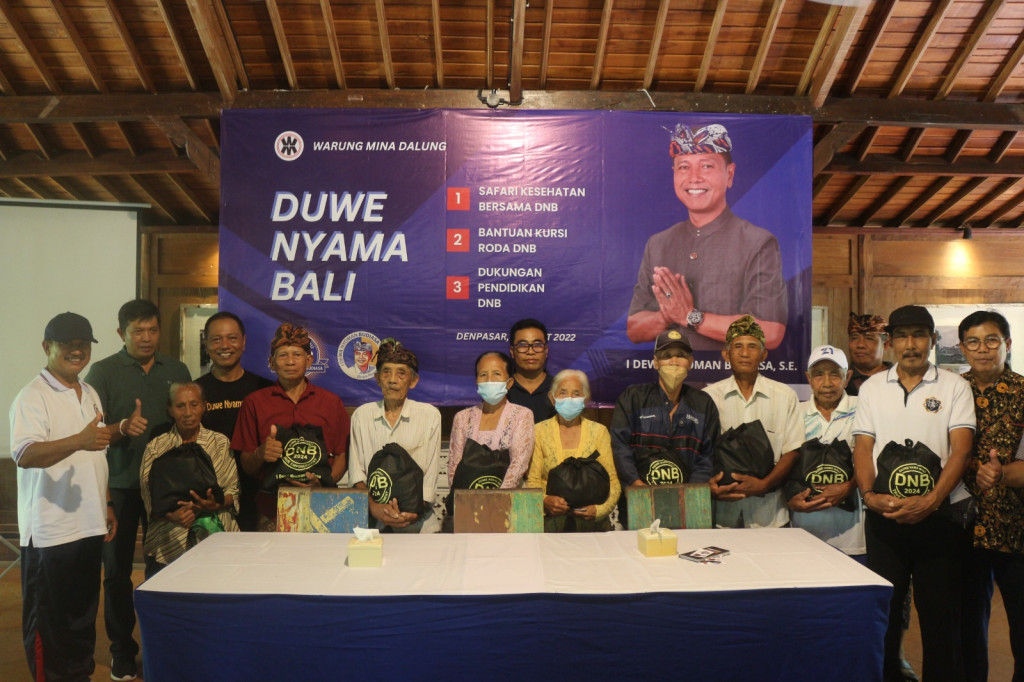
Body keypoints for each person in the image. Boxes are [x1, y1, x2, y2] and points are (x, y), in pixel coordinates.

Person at [852, 304, 975, 682]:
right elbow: (862, 447)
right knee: (885, 613)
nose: (911, 345)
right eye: (902, 337)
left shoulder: (955, 386)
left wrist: (932, 501)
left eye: (919, 335)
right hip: (884, 517)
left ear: (933, 340)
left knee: (940, 617)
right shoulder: (872, 388)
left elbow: (962, 450)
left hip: (940, 519)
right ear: (890, 343)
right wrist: (869, 496)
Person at [84, 299, 190, 681]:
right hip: (119, 487)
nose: (146, 338)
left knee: (166, 568)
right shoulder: (102, 372)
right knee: (116, 571)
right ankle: (122, 651)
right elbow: (90, 434)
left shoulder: (176, 369)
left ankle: (162, 646)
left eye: (152, 330)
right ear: (121, 333)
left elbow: (188, 419)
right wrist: (121, 428)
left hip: (165, 487)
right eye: (137, 331)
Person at [8, 312, 117, 681]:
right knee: (50, 627)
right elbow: (26, 455)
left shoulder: (89, 392)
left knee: (81, 619)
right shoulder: (32, 396)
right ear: (46, 347)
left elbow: (96, 453)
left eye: (83, 344)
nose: (77, 350)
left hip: (88, 525)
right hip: (50, 533)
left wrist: (107, 503)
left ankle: (79, 674)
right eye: (67, 344)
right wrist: (79, 441)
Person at [626, 122, 788, 350]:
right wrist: (665, 316)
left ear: (729, 174)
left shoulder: (757, 242)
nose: (694, 178)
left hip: (728, 373)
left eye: (706, 166)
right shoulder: (658, 244)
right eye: (684, 167)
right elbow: (634, 329)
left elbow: (770, 332)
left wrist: (691, 317)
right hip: (673, 372)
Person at [957, 310, 1024, 681]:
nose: (982, 349)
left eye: (991, 340)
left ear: (1007, 344)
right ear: (962, 348)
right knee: (967, 624)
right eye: (973, 341)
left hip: (1017, 527)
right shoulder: (950, 392)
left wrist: (1002, 473)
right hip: (962, 527)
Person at [234, 323, 349, 530]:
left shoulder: (331, 403)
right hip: (272, 509)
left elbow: (342, 456)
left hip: (323, 505)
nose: (290, 361)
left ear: (309, 360)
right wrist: (260, 453)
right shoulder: (254, 403)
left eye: (297, 354)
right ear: (271, 362)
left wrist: (323, 483)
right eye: (282, 355)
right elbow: (246, 463)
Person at [610, 329, 719, 526]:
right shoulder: (633, 398)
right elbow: (620, 447)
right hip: (639, 502)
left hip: (689, 506)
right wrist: (635, 484)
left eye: (681, 355)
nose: (674, 361)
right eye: (667, 355)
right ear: (655, 362)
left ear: (691, 362)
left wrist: (690, 493)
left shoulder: (704, 404)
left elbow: (708, 456)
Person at [704, 315, 803, 528]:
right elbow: (700, 452)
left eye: (752, 346)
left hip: (771, 515)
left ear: (763, 354)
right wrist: (707, 485)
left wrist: (764, 484)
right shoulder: (709, 397)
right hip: (722, 514)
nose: (745, 353)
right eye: (738, 346)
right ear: (726, 354)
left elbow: (793, 450)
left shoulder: (785, 396)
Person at [140, 382, 239, 577]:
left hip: (217, 534)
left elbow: (233, 492)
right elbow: (148, 497)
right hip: (169, 537)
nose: (188, 413)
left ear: (204, 406)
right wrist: (172, 515)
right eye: (180, 406)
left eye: (194, 405)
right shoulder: (156, 447)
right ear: (170, 410)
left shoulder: (220, 443)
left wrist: (214, 504)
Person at [349, 338, 442, 533]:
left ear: (413, 381)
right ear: (377, 378)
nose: (392, 380)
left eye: (401, 373)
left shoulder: (429, 415)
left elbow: (431, 475)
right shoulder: (362, 415)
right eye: (386, 372)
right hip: (372, 520)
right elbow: (357, 474)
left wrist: (414, 512)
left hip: (418, 521)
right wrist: (374, 507)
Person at [195, 311, 273, 531]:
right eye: (216, 339)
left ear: (244, 342)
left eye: (232, 338)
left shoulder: (265, 389)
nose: (225, 345)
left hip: (258, 494)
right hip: (211, 497)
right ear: (206, 344)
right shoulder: (195, 392)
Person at [786, 345, 865, 558]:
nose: (827, 383)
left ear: (847, 377)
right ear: (809, 378)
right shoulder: (795, 412)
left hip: (853, 536)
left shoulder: (863, 409)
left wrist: (849, 486)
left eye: (835, 374)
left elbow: (873, 459)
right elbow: (786, 464)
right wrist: (789, 499)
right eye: (819, 374)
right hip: (803, 532)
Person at [528, 370, 621, 531]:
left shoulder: (599, 432)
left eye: (576, 393)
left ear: (586, 399)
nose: (569, 398)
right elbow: (532, 481)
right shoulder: (539, 431)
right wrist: (544, 501)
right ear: (552, 398)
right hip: (550, 526)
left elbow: (612, 480)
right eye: (563, 392)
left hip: (593, 528)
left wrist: (599, 510)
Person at [447, 351, 534, 488]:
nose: (489, 380)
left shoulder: (522, 415)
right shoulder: (462, 418)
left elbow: (518, 464)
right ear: (476, 381)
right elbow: (454, 465)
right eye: (483, 375)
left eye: (496, 374)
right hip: (467, 497)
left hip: (508, 497)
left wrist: (495, 497)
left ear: (509, 383)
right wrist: (460, 496)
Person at [506, 318, 556, 422]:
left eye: (537, 345)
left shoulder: (559, 389)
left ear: (546, 351)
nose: (530, 352)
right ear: (512, 351)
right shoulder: (502, 391)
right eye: (522, 345)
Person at [847, 312, 892, 396]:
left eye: (869, 338)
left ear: (886, 344)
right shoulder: (841, 381)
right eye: (855, 338)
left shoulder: (899, 378)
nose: (860, 345)